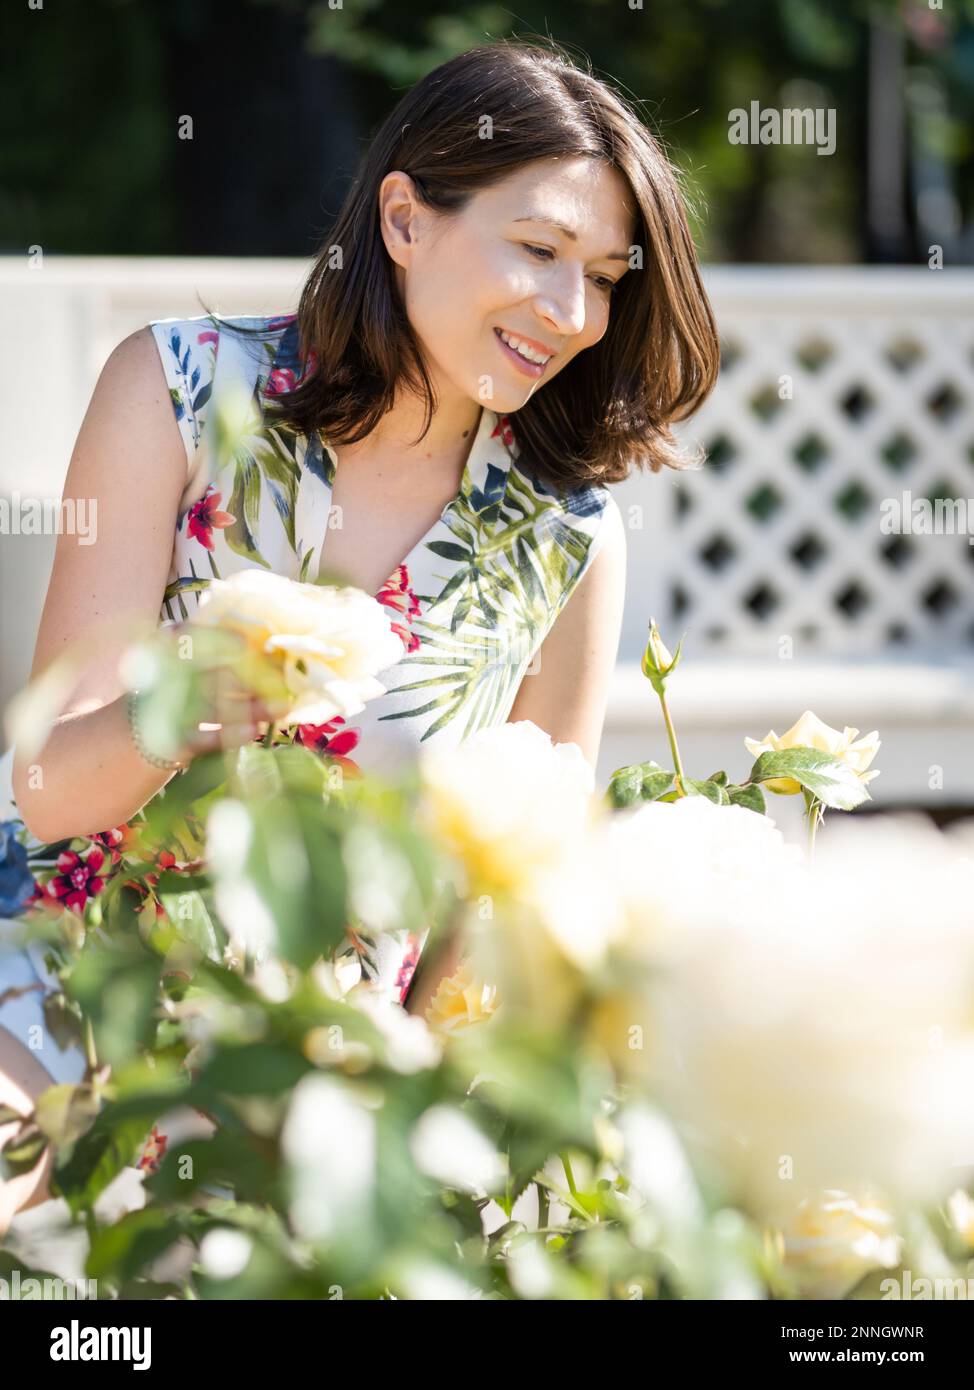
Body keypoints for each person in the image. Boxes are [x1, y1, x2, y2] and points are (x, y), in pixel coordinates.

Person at [0, 36, 719, 1229]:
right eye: (537, 250)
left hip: (327, 1077)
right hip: (63, 985)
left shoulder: (563, 542)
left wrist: (409, 1113)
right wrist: (192, 705)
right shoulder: (181, 391)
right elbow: (44, 789)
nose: (571, 311)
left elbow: (500, 908)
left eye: (602, 274)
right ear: (402, 219)